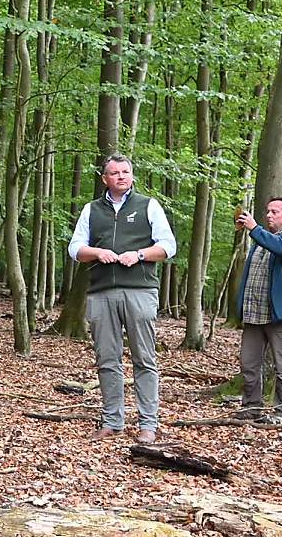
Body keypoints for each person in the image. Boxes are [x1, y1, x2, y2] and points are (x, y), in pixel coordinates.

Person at [68, 153, 176, 444]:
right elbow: (75, 247)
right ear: (105, 179)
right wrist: (96, 253)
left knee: (144, 357)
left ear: (132, 175)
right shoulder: (92, 210)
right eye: (114, 173)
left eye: (125, 172)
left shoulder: (148, 206)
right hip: (101, 291)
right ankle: (112, 420)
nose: (121, 177)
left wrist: (139, 254)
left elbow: (168, 245)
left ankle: (148, 424)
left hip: (139, 290)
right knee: (107, 359)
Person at [235, 198, 282, 421]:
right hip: (254, 316)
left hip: (280, 317)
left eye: (275, 212)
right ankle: (251, 408)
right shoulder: (259, 243)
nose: (269, 215)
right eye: (268, 211)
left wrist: (255, 229)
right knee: (249, 364)